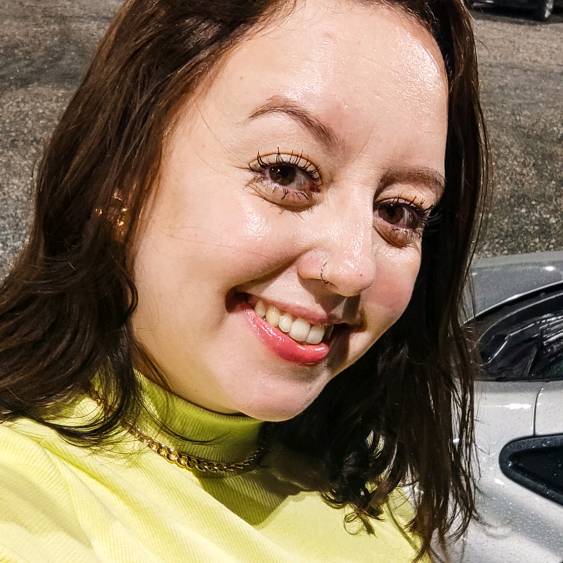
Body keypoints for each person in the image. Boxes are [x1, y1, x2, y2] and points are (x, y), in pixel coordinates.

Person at [0, 0, 489, 561]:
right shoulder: (27, 503)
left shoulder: (362, 480)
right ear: (124, 177)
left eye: (400, 211)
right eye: (287, 172)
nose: (354, 268)